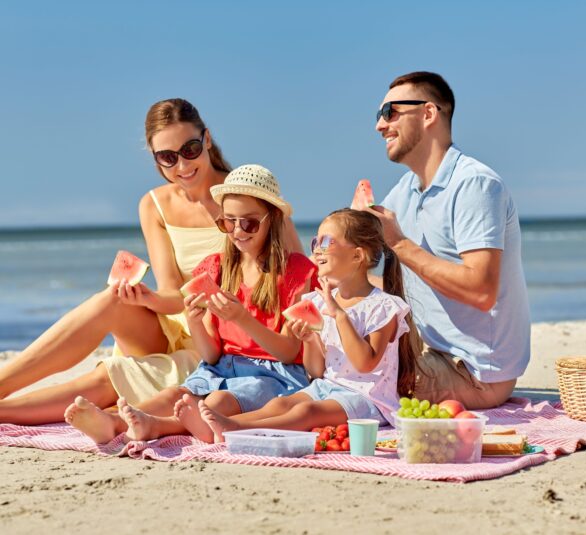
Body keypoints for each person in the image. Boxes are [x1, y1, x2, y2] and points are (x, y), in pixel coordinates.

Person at [0, 99, 301, 419]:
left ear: (207, 140)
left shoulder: (245, 198)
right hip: (181, 320)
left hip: (223, 341)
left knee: (111, 375)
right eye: (168, 158)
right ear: (155, 157)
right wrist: (149, 298)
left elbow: (297, 273)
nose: (182, 167)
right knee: (109, 302)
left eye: (190, 150)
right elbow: (174, 292)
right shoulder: (153, 204)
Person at [63, 165, 317, 444]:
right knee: (174, 395)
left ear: (274, 218)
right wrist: (195, 320)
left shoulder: (296, 271)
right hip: (221, 367)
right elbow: (210, 355)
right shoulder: (216, 269)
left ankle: (155, 427)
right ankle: (113, 422)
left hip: (274, 376)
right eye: (228, 222)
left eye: (250, 223)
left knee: (217, 401)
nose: (238, 231)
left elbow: (288, 350)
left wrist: (242, 318)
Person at [173, 209, 423, 443]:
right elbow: (315, 371)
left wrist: (340, 317)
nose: (317, 251)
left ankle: (236, 430)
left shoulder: (383, 306)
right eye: (315, 243)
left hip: (368, 400)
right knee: (280, 405)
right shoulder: (320, 301)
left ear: (357, 255)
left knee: (306, 411)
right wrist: (310, 341)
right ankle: (221, 425)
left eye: (326, 243)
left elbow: (364, 364)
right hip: (326, 387)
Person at [367, 71, 530, 409]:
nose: (380, 126)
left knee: (356, 381)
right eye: (379, 116)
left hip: (475, 372)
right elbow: (388, 281)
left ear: (428, 114)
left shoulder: (475, 185)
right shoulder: (404, 193)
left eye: (390, 113)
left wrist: (399, 244)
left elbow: (481, 292)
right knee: (328, 357)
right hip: (427, 353)